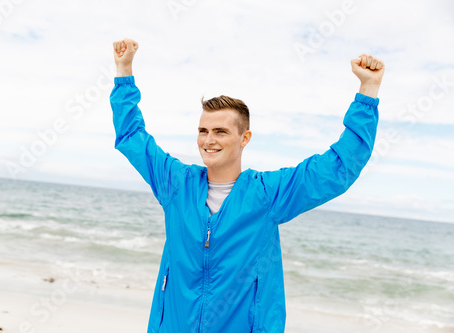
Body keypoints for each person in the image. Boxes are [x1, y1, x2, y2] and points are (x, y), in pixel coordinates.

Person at [111, 38, 384, 333]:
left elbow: (338, 167)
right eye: (203, 131)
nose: (208, 140)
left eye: (220, 131)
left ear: (244, 138)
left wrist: (367, 92)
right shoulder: (176, 185)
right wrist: (124, 70)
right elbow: (131, 137)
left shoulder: (268, 195)